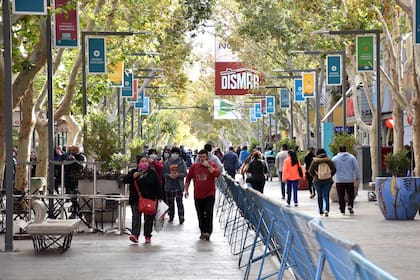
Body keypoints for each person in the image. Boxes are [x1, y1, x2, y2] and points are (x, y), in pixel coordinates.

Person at [123, 154, 164, 244]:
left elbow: (158, 185)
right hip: (136, 199)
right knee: (136, 217)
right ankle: (135, 235)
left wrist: (160, 197)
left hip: (149, 199)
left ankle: (148, 235)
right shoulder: (134, 172)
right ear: (138, 164)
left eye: (146, 161)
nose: (144, 163)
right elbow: (125, 180)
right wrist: (133, 176)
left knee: (148, 218)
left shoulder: (152, 173)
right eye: (142, 161)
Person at [185, 149, 221, 241]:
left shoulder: (212, 165)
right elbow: (188, 179)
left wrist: (209, 166)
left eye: (204, 157)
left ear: (207, 157)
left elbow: (217, 174)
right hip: (198, 194)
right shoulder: (194, 167)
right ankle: (202, 231)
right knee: (200, 214)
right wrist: (186, 190)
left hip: (210, 193)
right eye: (200, 157)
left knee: (209, 213)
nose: (202, 159)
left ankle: (208, 232)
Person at [332, 146, 360, 215]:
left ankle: (342, 210)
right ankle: (350, 205)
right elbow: (356, 168)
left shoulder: (335, 159)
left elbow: (332, 168)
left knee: (341, 195)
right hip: (349, 179)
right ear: (346, 149)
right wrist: (357, 176)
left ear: (339, 150)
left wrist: (331, 176)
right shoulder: (352, 158)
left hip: (339, 180)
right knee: (351, 194)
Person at [61, 145, 87, 218]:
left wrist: (74, 160)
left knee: (77, 196)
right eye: (71, 150)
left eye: (73, 150)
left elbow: (81, 166)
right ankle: (74, 211)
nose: (72, 152)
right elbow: (63, 165)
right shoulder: (67, 156)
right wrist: (66, 160)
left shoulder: (81, 157)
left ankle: (78, 211)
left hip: (77, 179)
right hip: (68, 179)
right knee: (72, 196)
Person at [163, 146, 187, 224]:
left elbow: (185, 173)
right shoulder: (166, 162)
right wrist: (169, 175)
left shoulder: (181, 162)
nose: (175, 154)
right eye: (174, 153)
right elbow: (163, 174)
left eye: (177, 153)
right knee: (170, 202)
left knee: (179, 202)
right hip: (169, 186)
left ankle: (181, 216)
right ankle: (171, 216)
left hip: (178, 186)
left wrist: (178, 175)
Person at [309, 148, 336, 217]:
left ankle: (321, 211)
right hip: (328, 181)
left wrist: (316, 175)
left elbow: (310, 171)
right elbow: (334, 169)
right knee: (326, 195)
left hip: (317, 181)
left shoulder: (315, 161)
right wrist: (329, 175)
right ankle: (326, 209)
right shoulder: (328, 160)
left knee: (319, 195)